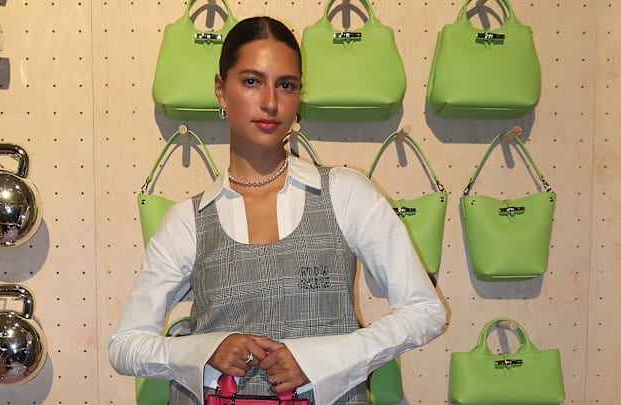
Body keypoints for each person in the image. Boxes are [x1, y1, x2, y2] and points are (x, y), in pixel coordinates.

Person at [108, 16, 446, 404]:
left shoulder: (345, 194)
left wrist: (321, 359)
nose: (270, 102)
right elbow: (125, 345)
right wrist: (203, 350)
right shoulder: (187, 221)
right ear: (221, 90)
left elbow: (424, 310)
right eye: (251, 81)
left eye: (286, 85)